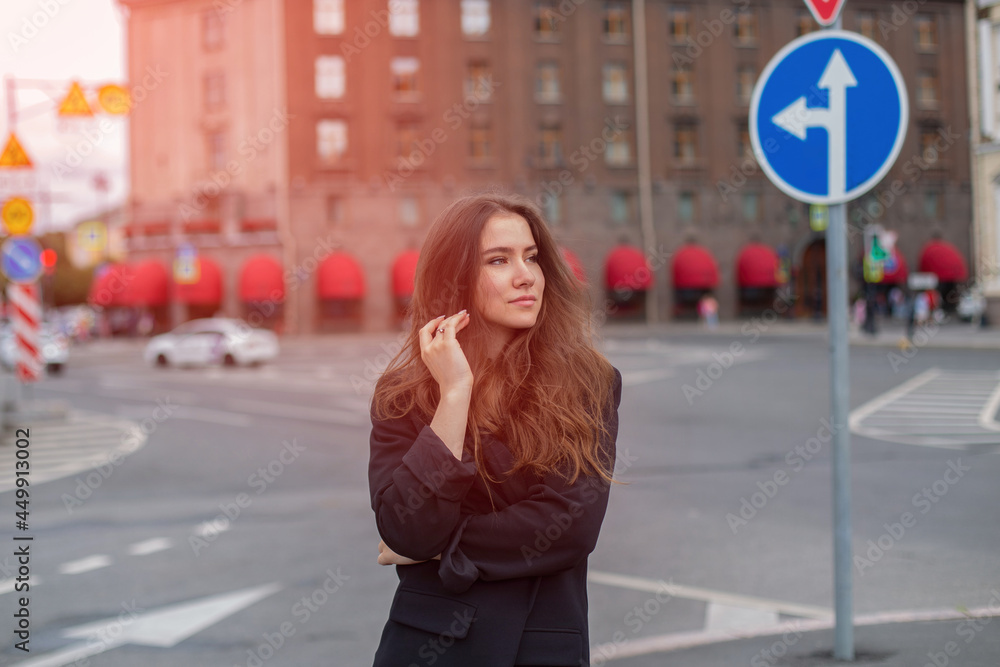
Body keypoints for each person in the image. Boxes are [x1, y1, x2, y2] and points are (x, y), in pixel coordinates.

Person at [368, 192, 623, 667]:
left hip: (542, 646)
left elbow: (569, 525)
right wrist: (455, 392)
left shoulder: (590, 381)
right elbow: (408, 528)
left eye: (531, 257)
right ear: (455, 277)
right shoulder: (403, 392)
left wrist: (442, 548)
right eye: (498, 260)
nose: (525, 275)